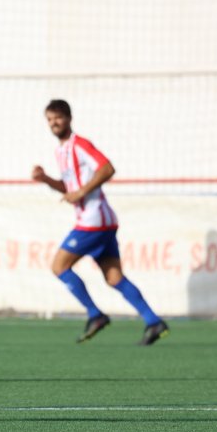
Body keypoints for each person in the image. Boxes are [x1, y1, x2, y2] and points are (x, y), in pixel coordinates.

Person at [31, 99, 169, 345]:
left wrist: (82, 192)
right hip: (103, 221)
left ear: (69, 118)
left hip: (93, 220)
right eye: (50, 119)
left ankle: (95, 315)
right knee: (114, 277)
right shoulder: (61, 151)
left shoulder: (80, 144)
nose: (54, 123)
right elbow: (68, 187)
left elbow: (107, 168)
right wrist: (46, 180)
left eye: (58, 118)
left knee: (58, 266)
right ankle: (153, 321)